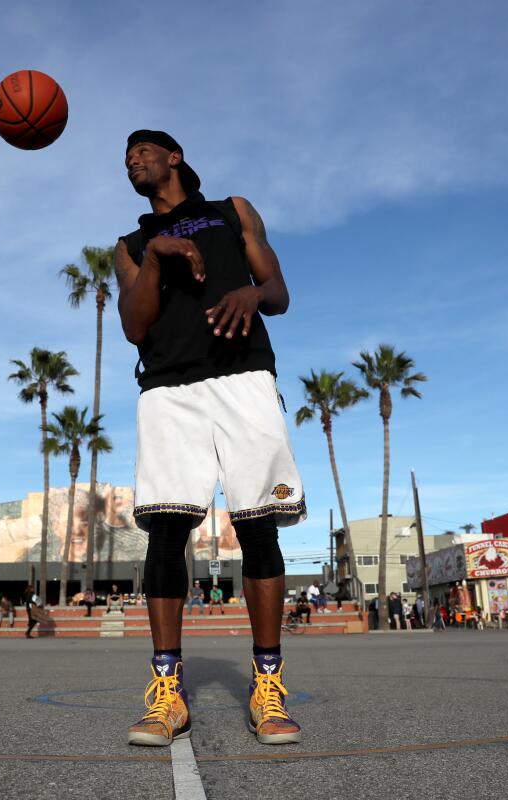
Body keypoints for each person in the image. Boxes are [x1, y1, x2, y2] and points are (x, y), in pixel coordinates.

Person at [116, 131, 304, 747]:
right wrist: (156, 257)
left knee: (257, 526)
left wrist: (251, 291)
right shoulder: (130, 245)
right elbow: (135, 325)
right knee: (167, 530)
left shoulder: (233, 211)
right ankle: (168, 694)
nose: (132, 161)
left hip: (243, 375)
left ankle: (267, 688)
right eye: (126, 159)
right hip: (169, 388)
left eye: (142, 151)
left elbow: (278, 292)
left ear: (173, 157)